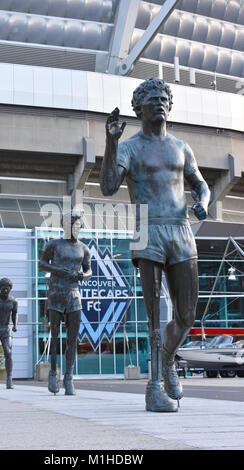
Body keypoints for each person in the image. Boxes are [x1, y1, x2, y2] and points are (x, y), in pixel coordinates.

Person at [100, 78, 210, 412]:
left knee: (187, 314)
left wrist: (203, 201)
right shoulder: (129, 148)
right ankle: (153, 387)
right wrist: (110, 143)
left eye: (164, 98)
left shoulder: (181, 146)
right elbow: (107, 187)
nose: (159, 102)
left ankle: (167, 359)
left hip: (180, 230)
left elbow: (201, 184)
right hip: (148, 230)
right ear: (139, 108)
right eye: (152, 98)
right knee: (151, 318)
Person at [39, 211, 92, 395]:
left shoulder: (84, 248)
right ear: (65, 226)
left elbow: (89, 270)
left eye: (78, 225)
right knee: (54, 337)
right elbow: (42, 263)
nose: (76, 228)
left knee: (72, 339)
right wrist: (58, 270)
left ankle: (69, 377)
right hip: (56, 293)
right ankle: (53, 373)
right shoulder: (53, 244)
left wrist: (83, 276)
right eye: (73, 225)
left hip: (74, 294)